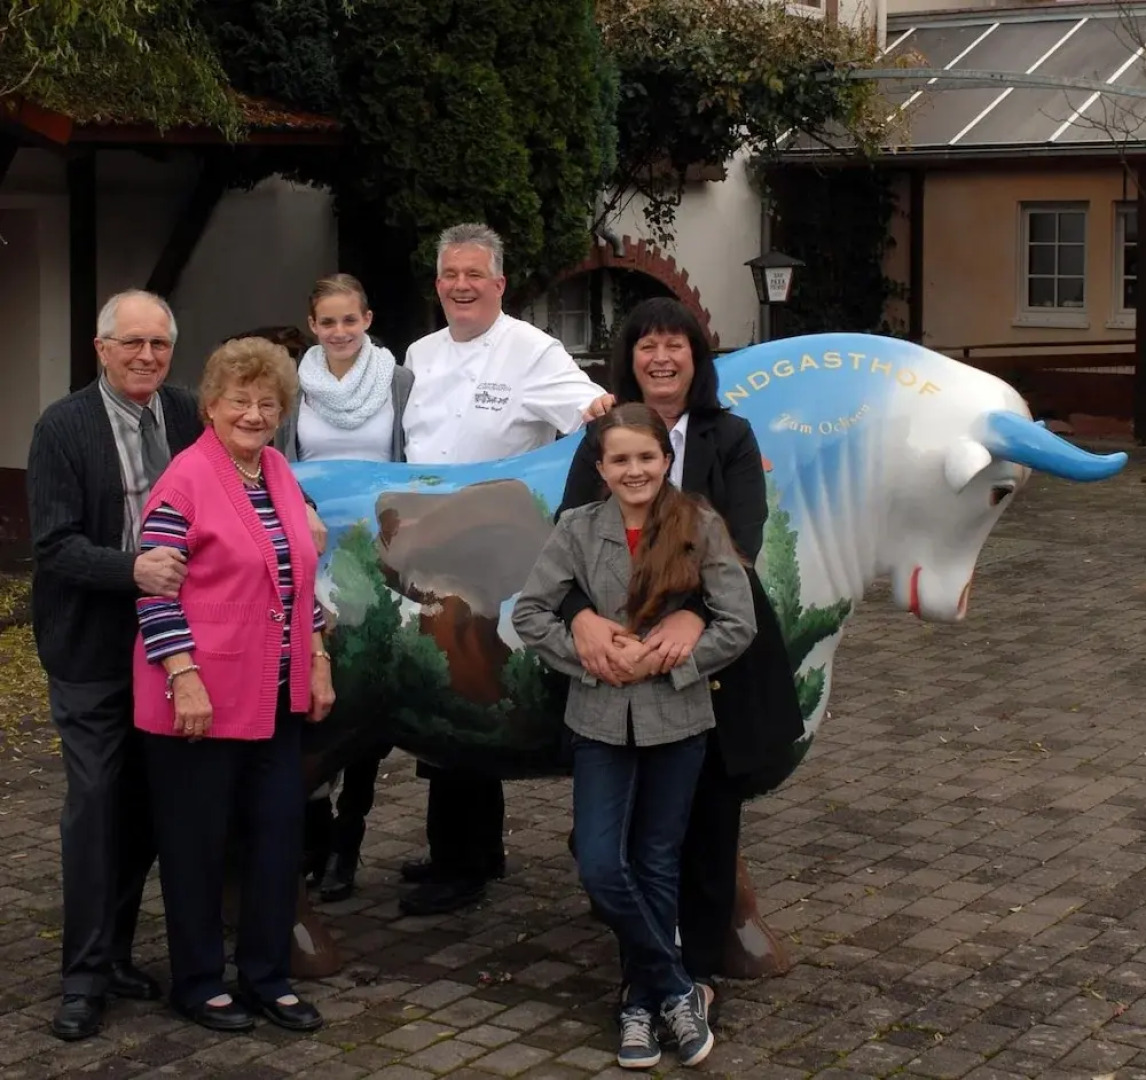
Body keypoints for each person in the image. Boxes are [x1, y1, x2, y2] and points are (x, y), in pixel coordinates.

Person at [557, 297, 806, 1021]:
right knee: (629, 826)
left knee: (708, 816)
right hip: (618, 661)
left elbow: (745, 539)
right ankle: (647, 971)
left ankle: (694, 970)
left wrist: (696, 615)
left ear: (698, 358)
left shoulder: (730, 437)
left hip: (711, 659)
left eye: (676, 345)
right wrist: (582, 622)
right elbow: (564, 541)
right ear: (628, 358)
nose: (661, 357)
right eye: (646, 346)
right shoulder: (602, 438)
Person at [513, 403, 755, 1070]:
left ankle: (639, 1005)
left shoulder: (698, 524)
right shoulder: (578, 527)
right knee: (599, 862)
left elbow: (738, 623)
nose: (634, 469)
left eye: (646, 457)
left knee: (656, 859)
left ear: (666, 460)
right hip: (599, 719)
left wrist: (675, 664)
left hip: (678, 722)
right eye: (619, 459)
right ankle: (678, 985)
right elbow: (531, 613)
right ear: (600, 468)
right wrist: (587, 654)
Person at [398, 222, 609, 917]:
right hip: (428, 540)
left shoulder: (531, 350)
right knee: (437, 687)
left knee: (469, 684)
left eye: (474, 275)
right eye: (450, 275)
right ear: (438, 284)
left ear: (499, 283)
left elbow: (592, 419)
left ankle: (468, 862)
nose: (461, 286)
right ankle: (461, 851)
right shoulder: (419, 354)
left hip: (496, 542)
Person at [133, 336, 335, 1034]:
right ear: (211, 407)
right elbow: (156, 594)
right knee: (197, 845)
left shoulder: (280, 471)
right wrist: (183, 678)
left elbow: (300, 574)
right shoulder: (183, 481)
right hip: (202, 698)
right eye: (239, 401)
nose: (253, 414)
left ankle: (266, 977)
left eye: (267, 403)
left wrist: (318, 656)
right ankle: (196, 982)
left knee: (279, 838)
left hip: (274, 696)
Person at [27, 290, 203, 1041]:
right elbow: (55, 546)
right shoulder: (63, 427)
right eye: (130, 343)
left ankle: (121, 955)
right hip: (94, 647)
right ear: (101, 349)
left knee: (142, 810)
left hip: (175, 648)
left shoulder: (191, 413)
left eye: (159, 344)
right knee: (95, 809)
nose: (146, 357)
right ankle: (83, 980)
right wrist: (133, 570)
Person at [277, 273, 414, 904]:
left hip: (375, 556)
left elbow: (411, 462)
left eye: (349, 321)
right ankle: (312, 836)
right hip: (309, 555)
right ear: (312, 325)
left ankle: (348, 842)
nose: (339, 333)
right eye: (327, 322)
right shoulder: (290, 388)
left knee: (366, 698)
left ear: (367, 319)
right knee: (307, 692)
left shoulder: (397, 380)